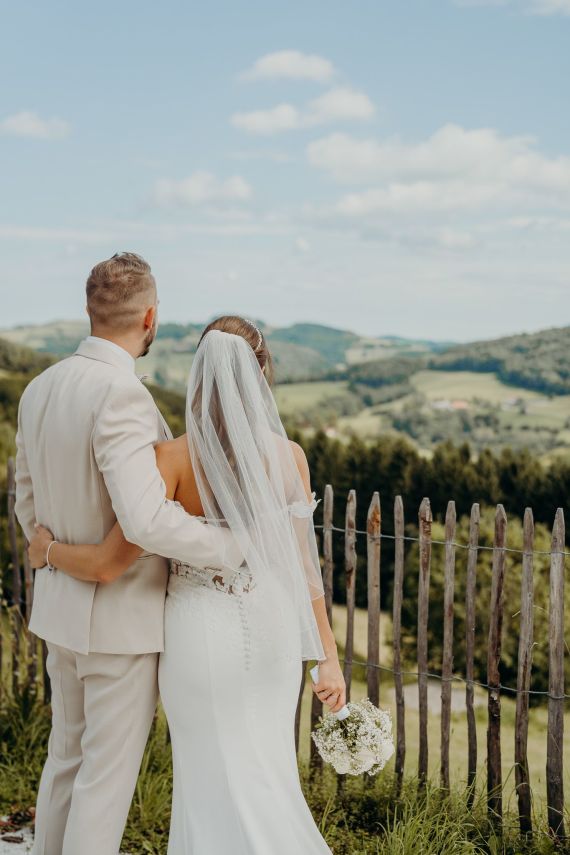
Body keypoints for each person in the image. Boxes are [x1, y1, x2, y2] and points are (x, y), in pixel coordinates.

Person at [29, 314, 346, 855]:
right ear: (261, 374)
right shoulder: (289, 457)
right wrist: (328, 656)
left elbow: (117, 554)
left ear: (201, 375)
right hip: (271, 631)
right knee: (269, 766)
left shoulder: (169, 459)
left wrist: (50, 552)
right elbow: (304, 568)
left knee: (207, 772)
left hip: (200, 632)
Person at [15, 254, 244, 855]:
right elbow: (144, 518)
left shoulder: (39, 389)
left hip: (60, 613)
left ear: (91, 311)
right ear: (150, 316)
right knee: (104, 781)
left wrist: (50, 553)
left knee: (64, 760)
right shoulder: (121, 395)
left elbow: (26, 502)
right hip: (118, 621)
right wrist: (231, 545)